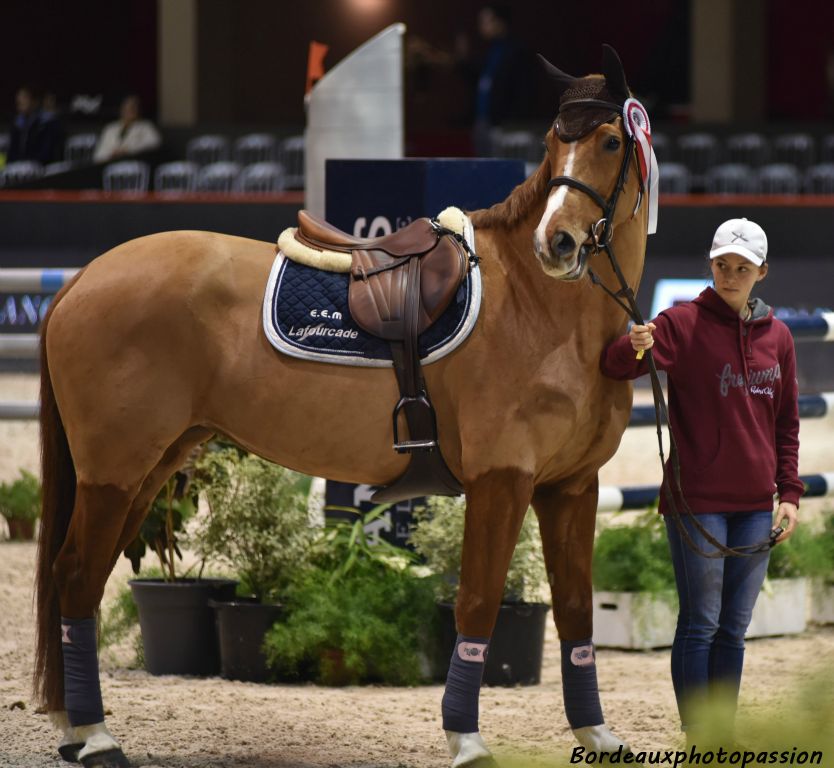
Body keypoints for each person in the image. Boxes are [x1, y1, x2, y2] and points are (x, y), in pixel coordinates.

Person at [600, 218, 803, 746]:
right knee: (701, 623)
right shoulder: (682, 323)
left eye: (741, 268)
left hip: (758, 506)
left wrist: (791, 495)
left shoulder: (779, 337)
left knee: (733, 629)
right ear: (710, 265)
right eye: (721, 266)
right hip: (698, 502)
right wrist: (636, 344)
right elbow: (617, 365)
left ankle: (721, 734)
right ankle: (698, 735)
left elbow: (786, 423)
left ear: (761, 271)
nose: (730, 276)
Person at [93, 95, 161, 163]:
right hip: (110, 165)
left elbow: (154, 143)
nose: (129, 111)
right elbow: (99, 155)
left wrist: (128, 150)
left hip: (134, 164)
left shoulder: (146, 126)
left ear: (138, 110)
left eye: (132, 108)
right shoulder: (110, 128)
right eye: (126, 108)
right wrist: (112, 154)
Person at [7, 85, 63, 164]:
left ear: (35, 101)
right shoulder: (17, 124)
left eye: (24, 97)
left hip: (43, 170)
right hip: (20, 170)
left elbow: (47, 154)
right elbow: (11, 154)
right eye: (19, 96)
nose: (19, 100)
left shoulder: (47, 123)